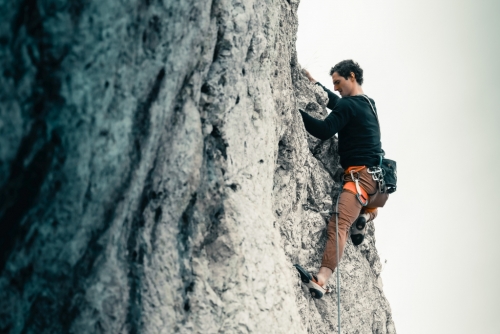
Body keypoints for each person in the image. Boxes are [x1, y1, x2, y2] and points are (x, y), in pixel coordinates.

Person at [294, 59, 389, 299]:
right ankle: (366, 216)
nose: (335, 88)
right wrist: (316, 85)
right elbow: (338, 103)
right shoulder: (368, 103)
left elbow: (324, 130)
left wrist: (293, 111)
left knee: (339, 224)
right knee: (366, 208)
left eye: (338, 82)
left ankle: (321, 280)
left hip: (359, 178)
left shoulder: (349, 106)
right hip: (378, 184)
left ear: (352, 76)